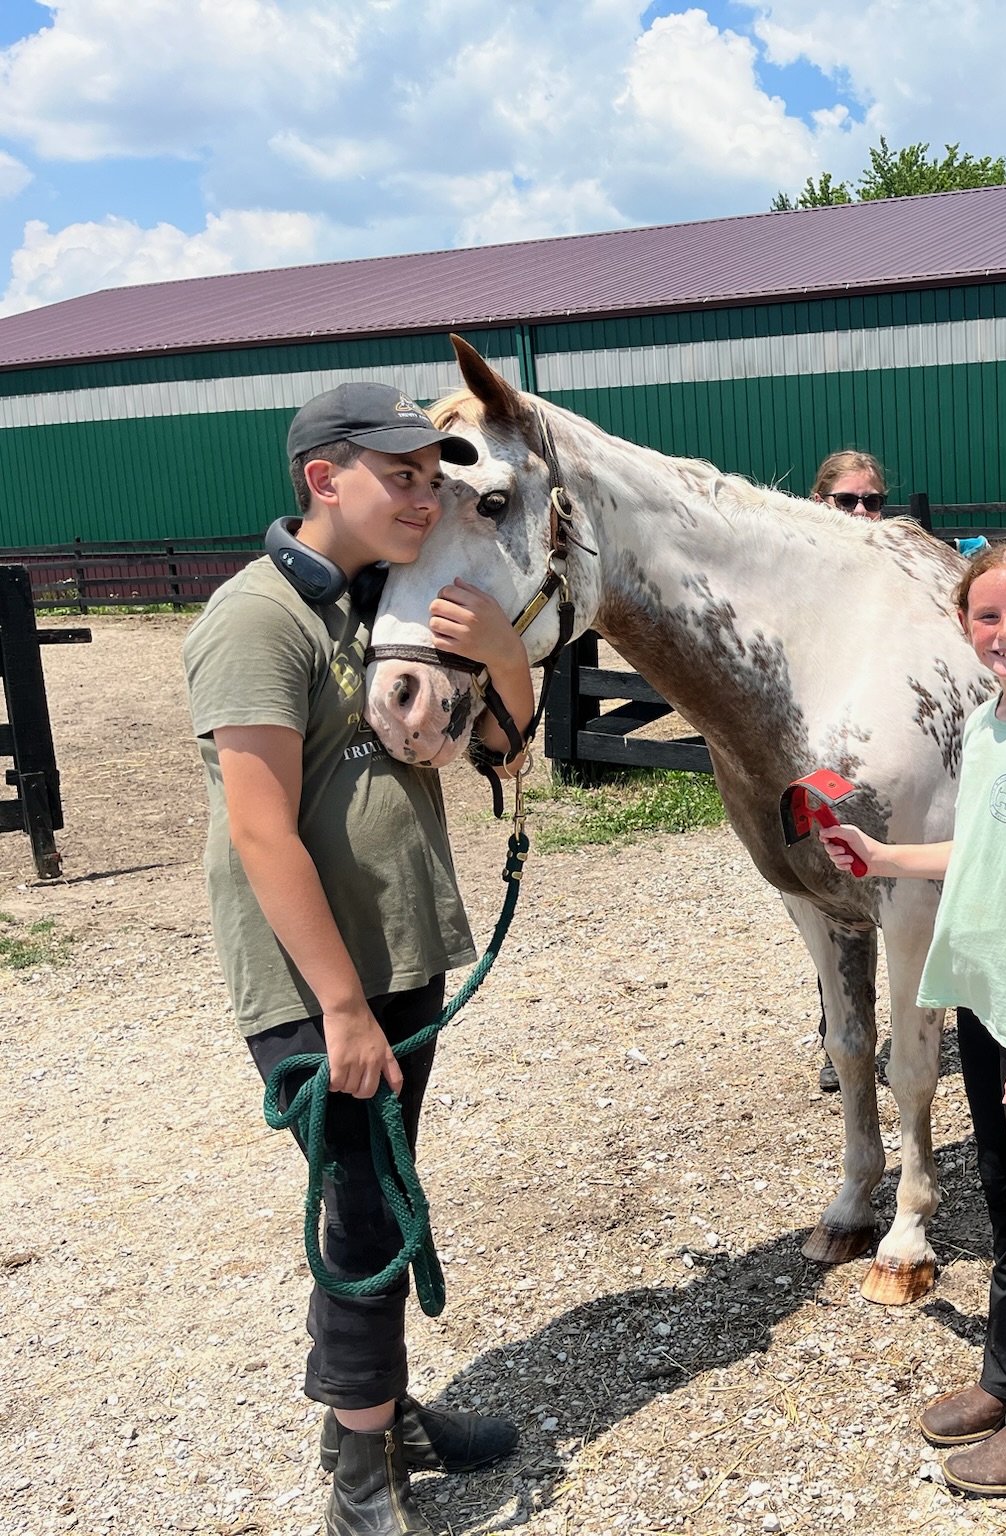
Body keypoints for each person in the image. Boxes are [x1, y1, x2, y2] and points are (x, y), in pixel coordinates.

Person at [184, 383, 534, 1535]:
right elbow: (257, 827)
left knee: (375, 1197)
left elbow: (501, 750)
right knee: (365, 1208)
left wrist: (503, 657)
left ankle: (372, 1408)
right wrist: (337, 1006)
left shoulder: (378, 609)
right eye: (402, 477)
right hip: (321, 986)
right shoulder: (255, 621)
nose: (424, 497)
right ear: (321, 480)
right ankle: (358, 1475)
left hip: (394, 963)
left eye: (433, 479)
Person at [821, 540, 1006, 1495]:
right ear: (965, 629)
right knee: (1002, 1197)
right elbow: (982, 854)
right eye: (988, 618)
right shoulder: (992, 724)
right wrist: (883, 856)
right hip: (990, 999)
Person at [809, 449, 889, 1092]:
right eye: (848, 501)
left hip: (879, 754)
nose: (863, 512)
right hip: (820, 760)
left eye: (873, 501)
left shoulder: (892, 570)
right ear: (819, 503)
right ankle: (839, 1027)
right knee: (825, 883)